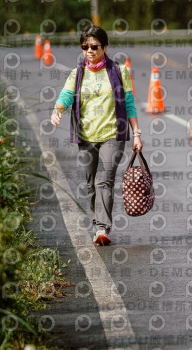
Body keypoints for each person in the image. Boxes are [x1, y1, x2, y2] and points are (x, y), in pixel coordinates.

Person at [50, 25, 142, 246]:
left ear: (105, 47)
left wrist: (136, 133)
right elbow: (66, 95)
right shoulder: (77, 73)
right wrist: (57, 110)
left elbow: (129, 104)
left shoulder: (119, 72)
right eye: (85, 47)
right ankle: (98, 222)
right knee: (91, 183)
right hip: (86, 136)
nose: (89, 51)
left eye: (94, 46)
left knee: (104, 180)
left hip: (113, 134)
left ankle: (102, 229)